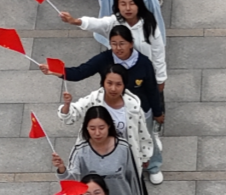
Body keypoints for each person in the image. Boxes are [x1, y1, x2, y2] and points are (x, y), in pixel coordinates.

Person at [58, 23, 164, 184]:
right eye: (114, 43)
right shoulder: (95, 98)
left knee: (145, 138)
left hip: (143, 110)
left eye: (122, 43)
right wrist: (58, 72)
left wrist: (157, 112)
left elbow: (152, 90)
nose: (118, 48)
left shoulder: (135, 99)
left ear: (131, 43)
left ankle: (153, 167)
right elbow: (80, 72)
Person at [49, 101, 148, 195]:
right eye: (92, 128)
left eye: (101, 128)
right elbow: (72, 183)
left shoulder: (123, 147)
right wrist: (62, 169)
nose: (97, 133)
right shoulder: (80, 151)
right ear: (86, 128)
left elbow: (134, 180)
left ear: (109, 126)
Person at [62, 0, 167, 103]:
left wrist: (160, 79)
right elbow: (96, 23)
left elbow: (158, 53)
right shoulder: (112, 22)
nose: (128, 8)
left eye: (132, 3)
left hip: (143, 74)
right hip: (117, 74)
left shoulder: (149, 25)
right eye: (123, 4)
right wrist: (76, 21)